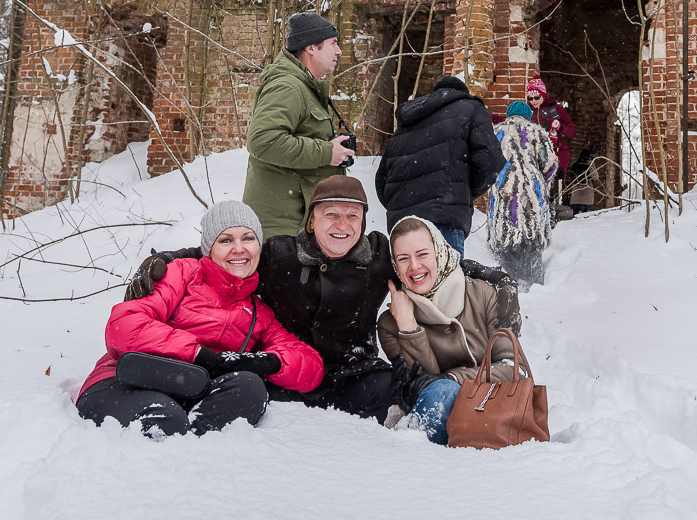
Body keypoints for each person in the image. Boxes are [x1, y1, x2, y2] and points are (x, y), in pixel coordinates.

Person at [126, 176, 520, 424]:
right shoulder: (280, 254)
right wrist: (163, 260)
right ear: (311, 220)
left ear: (363, 222)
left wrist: (495, 277)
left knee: (405, 391)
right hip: (286, 374)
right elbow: (227, 253)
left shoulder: (379, 256)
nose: (342, 225)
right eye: (331, 215)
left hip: (354, 373)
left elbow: (435, 259)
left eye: (352, 216)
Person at [76, 201, 323, 438]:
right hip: (126, 382)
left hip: (194, 391)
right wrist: (199, 354)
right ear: (208, 248)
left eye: (248, 238)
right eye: (226, 240)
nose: (239, 248)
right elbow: (124, 327)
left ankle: (195, 446)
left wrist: (267, 363)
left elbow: (310, 366)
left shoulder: (259, 313)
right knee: (165, 418)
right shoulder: (181, 274)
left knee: (250, 387)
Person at [378, 216, 520, 446]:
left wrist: (455, 378)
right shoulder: (390, 323)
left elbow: (513, 367)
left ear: (440, 251)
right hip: (441, 417)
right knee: (440, 392)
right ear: (395, 265)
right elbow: (423, 380)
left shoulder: (482, 294)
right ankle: (410, 463)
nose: (414, 266)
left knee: (444, 388)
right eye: (403, 258)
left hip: (493, 407)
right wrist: (408, 327)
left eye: (422, 254)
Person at [243, 11, 355, 238]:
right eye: (333, 43)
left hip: (297, 223)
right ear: (311, 48)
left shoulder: (303, 87)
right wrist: (326, 153)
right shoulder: (288, 86)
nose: (339, 51)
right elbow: (263, 141)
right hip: (283, 229)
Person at [375, 75, 504, 257]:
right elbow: (490, 162)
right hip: (444, 220)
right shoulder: (471, 109)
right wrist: (461, 190)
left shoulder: (407, 121)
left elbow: (381, 180)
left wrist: (403, 205)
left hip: (403, 226)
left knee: (411, 283)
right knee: (446, 283)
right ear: (461, 94)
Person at [488, 101, 559, 289]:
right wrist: (537, 180)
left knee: (504, 242)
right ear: (528, 115)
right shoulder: (537, 133)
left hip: (503, 197)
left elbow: (485, 163)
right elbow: (550, 165)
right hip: (532, 198)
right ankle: (534, 286)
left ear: (508, 114)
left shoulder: (496, 133)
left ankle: (506, 287)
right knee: (532, 242)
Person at [525, 77, 576, 179]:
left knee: (550, 190)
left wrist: (559, 126)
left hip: (555, 156)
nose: (533, 101)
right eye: (530, 98)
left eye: (537, 97)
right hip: (534, 159)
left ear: (543, 95)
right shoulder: (527, 112)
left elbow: (572, 132)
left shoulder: (555, 110)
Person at [567, 145, 603, 216]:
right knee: (585, 217)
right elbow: (595, 177)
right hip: (586, 193)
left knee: (575, 216)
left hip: (576, 193)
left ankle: (573, 226)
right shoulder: (590, 164)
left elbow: (571, 177)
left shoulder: (575, 163)